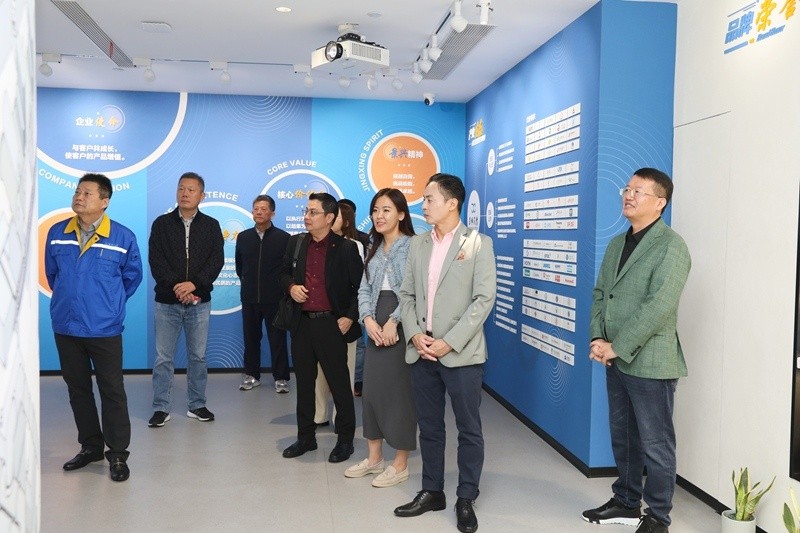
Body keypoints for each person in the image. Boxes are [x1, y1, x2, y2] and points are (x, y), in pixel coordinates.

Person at [582, 168, 691, 533]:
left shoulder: (671, 246)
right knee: (623, 436)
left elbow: (658, 306)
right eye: (627, 189)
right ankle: (627, 502)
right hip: (614, 358)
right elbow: (602, 293)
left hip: (651, 362)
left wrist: (617, 346)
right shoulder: (617, 243)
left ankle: (658, 517)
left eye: (638, 191)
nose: (628, 196)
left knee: (656, 444)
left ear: (660, 202)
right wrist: (597, 338)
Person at [395, 173, 496, 533]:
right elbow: (406, 295)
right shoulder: (418, 244)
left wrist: (449, 341)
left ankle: (465, 497)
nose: (423, 205)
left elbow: (483, 299)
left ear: (452, 203)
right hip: (422, 351)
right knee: (429, 426)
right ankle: (432, 491)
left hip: (461, 354)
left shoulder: (479, 243)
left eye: (429, 199)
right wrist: (414, 335)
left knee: (469, 428)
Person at [45, 173, 143, 482]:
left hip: (104, 328)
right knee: (78, 390)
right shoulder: (57, 232)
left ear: (104, 201)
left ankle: (117, 454)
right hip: (66, 326)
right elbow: (53, 275)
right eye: (78, 191)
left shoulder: (122, 237)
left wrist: (108, 305)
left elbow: (132, 278)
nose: (79, 196)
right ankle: (90, 447)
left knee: (112, 391)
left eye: (87, 193)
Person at [280, 192, 363, 464]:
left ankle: (345, 440)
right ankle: (306, 437)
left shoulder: (346, 248)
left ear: (329, 217)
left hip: (332, 324)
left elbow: (360, 288)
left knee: (340, 385)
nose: (307, 216)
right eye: (306, 211)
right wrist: (291, 287)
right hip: (302, 323)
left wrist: (350, 317)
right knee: (304, 384)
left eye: (313, 212)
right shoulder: (296, 243)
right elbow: (282, 273)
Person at [344, 188, 417, 488]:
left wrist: (394, 322)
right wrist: (368, 319)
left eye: (386, 210)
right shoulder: (372, 247)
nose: (379, 215)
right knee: (372, 392)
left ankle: (400, 464)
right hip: (375, 324)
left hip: (402, 323)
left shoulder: (414, 246)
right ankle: (375, 458)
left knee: (399, 395)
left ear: (401, 214)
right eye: (375, 210)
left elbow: (415, 291)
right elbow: (364, 288)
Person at [148, 171, 224, 427]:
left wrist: (194, 284)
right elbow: (156, 261)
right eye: (181, 188)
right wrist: (177, 287)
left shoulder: (211, 225)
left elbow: (216, 261)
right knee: (163, 358)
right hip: (166, 302)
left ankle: (197, 404)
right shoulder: (161, 224)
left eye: (191, 189)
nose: (185, 193)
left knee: (198, 357)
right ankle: (161, 407)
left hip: (199, 303)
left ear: (202, 195)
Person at [235, 194, 291, 393]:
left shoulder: (283, 238)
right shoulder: (243, 237)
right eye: (256, 208)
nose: (258, 212)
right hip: (250, 298)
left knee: (277, 340)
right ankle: (252, 375)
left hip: (275, 299)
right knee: (251, 339)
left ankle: (281, 378)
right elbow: (240, 267)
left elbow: (287, 269)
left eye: (263, 209)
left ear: (272, 213)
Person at [314, 200, 363, 426]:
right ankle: (319, 414)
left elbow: (360, 286)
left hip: (344, 319)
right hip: (319, 320)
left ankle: (341, 416)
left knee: (345, 370)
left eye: (337, 216)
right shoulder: (313, 245)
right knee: (319, 372)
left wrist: (351, 316)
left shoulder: (353, 246)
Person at [339, 198, 370, 397]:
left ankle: (356, 381)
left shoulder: (360, 242)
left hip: (356, 301)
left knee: (357, 346)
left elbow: (361, 278)